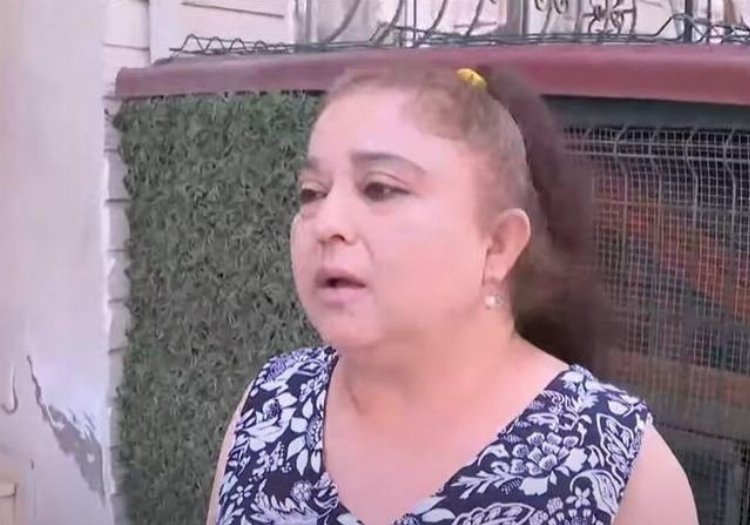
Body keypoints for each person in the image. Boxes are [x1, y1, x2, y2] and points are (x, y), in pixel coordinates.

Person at [206, 65, 698, 525]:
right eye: (312, 193)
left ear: (498, 245)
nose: (326, 223)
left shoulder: (622, 471)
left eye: (380, 188)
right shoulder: (271, 404)